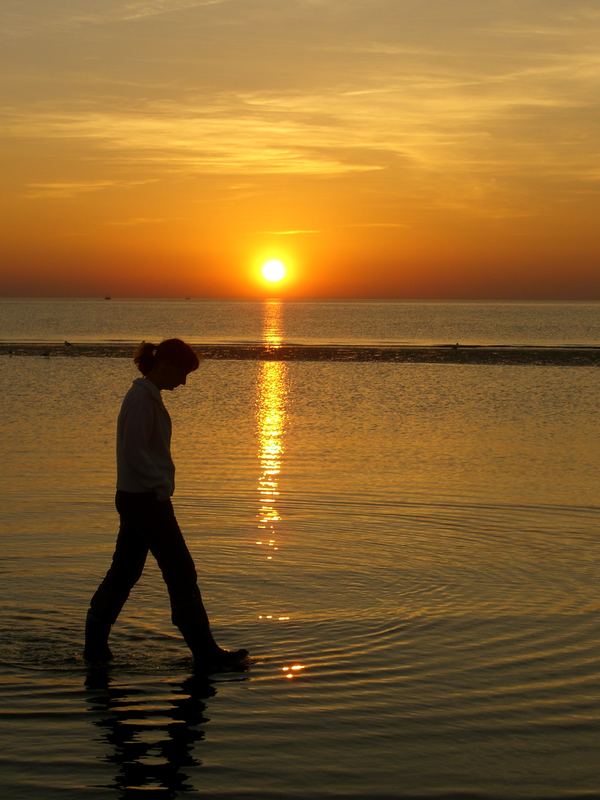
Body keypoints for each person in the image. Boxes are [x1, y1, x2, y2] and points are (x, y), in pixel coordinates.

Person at [84, 338, 248, 671]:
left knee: (125, 572)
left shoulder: (146, 397)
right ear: (167, 365)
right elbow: (134, 452)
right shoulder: (142, 400)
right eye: (183, 373)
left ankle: (95, 647)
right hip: (145, 500)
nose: (184, 382)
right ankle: (205, 653)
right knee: (180, 572)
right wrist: (160, 485)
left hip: (139, 497)